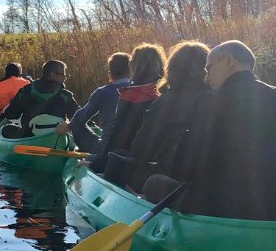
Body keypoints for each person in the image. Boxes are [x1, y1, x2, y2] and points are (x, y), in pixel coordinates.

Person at [143, 40, 276, 221]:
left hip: (232, 207)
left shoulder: (210, 102)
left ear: (229, 62)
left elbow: (182, 166)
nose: (206, 79)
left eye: (209, 69)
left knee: (153, 183)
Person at [109, 41, 210, 189]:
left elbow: (141, 149)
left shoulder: (164, 102)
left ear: (172, 68)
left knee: (117, 157)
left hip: (174, 177)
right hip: (207, 177)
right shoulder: (216, 98)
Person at [85, 43, 166, 174]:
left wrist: (97, 164)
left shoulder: (132, 94)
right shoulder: (166, 91)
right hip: (159, 161)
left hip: (132, 160)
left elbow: (116, 135)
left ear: (134, 66)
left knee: (91, 158)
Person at [0, 60, 78, 138]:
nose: (65, 79)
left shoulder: (26, 91)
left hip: (29, 136)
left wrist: (12, 104)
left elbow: (12, 115)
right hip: (56, 137)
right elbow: (78, 118)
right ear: (53, 74)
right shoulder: (65, 96)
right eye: (63, 75)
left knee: (6, 129)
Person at [67, 52, 131, 152]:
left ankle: (95, 153)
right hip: (136, 148)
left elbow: (78, 120)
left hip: (109, 148)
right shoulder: (143, 90)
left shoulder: (102, 92)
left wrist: (68, 126)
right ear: (131, 71)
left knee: (77, 126)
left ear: (110, 74)